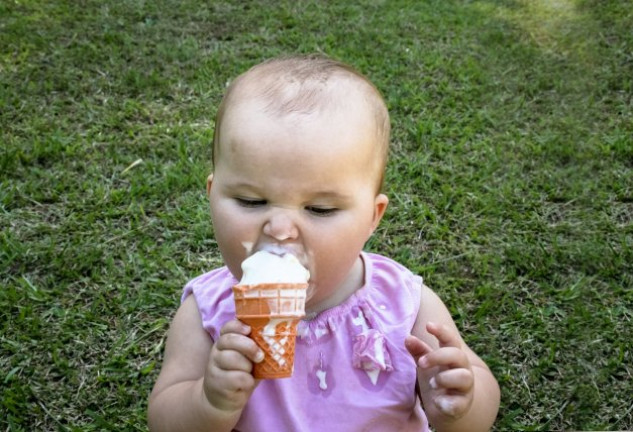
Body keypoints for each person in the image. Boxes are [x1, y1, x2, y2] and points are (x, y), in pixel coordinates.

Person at [148, 54, 500, 432]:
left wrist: (456, 405)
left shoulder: (405, 306)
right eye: (251, 201)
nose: (281, 228)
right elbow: (164, 419)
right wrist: (208, 403)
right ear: (213, 195)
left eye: (320, 208)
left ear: (372, 217)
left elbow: (479, 401)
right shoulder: (208, 314)